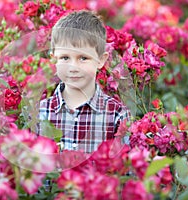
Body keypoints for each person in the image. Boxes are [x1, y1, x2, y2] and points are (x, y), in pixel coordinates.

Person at [37, 10, 130, 154]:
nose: (73, 67)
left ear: (101, 60)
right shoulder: (41, 113)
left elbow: (125, 168)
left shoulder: (117, 114)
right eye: (65, 58)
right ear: (54, 59)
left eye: (83, 58)